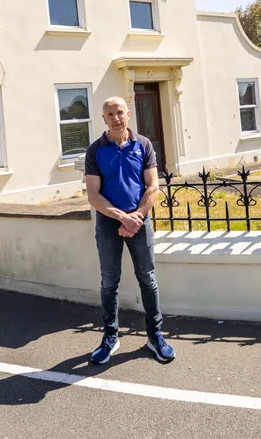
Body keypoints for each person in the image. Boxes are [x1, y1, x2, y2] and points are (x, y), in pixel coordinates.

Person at [83, 96, 174, 365]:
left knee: (148, 278)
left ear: (128, 114)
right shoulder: (95, 150)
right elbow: (93, 195)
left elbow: (153, 186)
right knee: (109, 281)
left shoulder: (143, 145)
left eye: (119, 113)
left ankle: (155, 335)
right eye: (110, 114)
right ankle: (110, 337)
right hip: (109, 222)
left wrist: (136, 217)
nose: (116, 118)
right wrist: (122, 217)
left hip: (139, 219)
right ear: (104, 119)